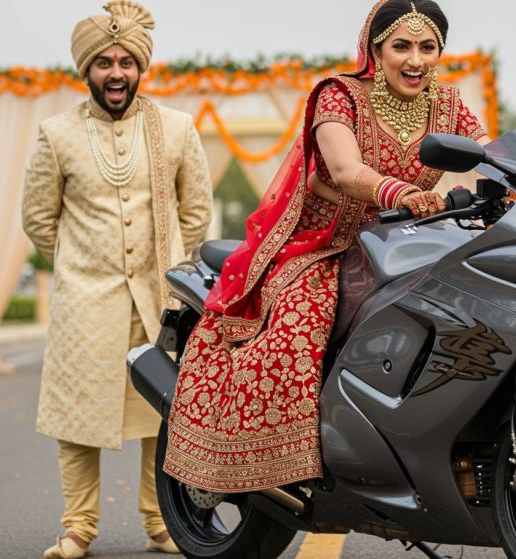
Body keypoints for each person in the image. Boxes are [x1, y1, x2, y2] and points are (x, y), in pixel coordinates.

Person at [162, 0, 489, 494]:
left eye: (428, 47)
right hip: (324, 246)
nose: (416, 60)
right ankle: (284, 458)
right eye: (402, 46)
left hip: (407, 246)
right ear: (375, 51)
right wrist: (400, 192)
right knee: (300, 321)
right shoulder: (341, 97)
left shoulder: (447, 105)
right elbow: (343, 172)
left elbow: (495, 155)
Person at [21, 2, 212, 557]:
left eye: (126, 61)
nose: (116, 73)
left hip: (159, 295)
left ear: (140, 68)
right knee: (79, 414)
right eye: (104, 62)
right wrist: (84, 263)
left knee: (161, 406)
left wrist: (169, 262)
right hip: (86, 300)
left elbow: (194, 211)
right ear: (87, 70)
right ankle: (78, 526)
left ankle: (160, 523)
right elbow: (38, 218)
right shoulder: (56, 134)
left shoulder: (175, 128)